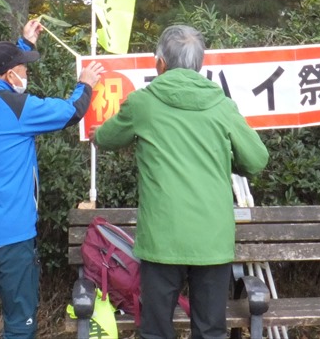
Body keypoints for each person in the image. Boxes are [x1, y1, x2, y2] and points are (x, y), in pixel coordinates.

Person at [93, 25, 269, 339]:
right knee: (211, 330)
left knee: (156, 331)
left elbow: (106, 138)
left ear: (160, 63)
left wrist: (97, 134)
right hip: (212, 238)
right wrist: (227, 158)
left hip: (163, 237)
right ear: (200, 64)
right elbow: (256, 160)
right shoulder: (222, 106)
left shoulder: (143, 103)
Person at [0, 18, 106, 339]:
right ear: (8, 75)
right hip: (11, 236)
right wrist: (86, 83)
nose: (26, 72)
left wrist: (24, 45)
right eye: (22, 67)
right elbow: (71, 111)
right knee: (19, 322)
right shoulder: (18, 108)